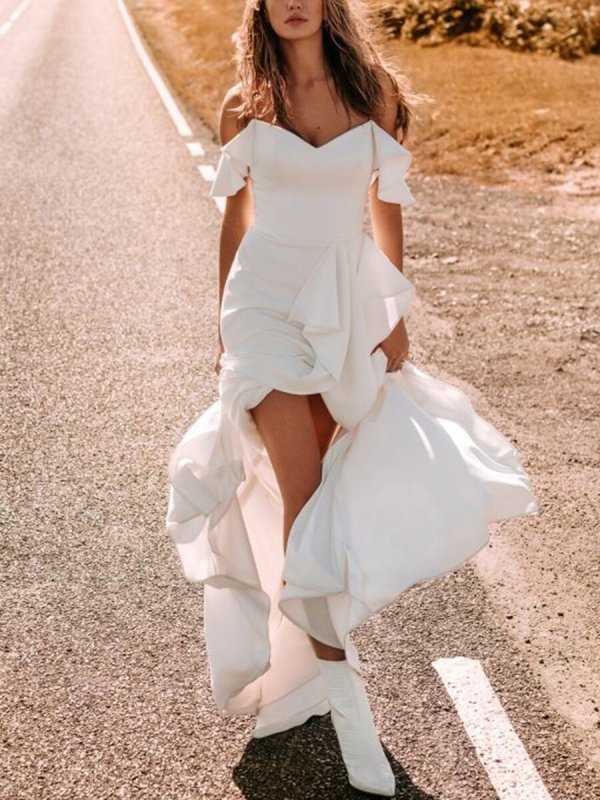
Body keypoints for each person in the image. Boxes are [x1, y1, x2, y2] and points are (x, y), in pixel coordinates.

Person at [166, 1, 539, 795]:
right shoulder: (246, 102)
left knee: (329, 492)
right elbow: (236, 219)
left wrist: (394, 311)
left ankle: (303, 657)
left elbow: (385, 210)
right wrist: (222, 325)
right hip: (264, 305)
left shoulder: (376, 93)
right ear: (261, 6)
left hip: (342, 305)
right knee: (304, 494)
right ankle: (348, 702)